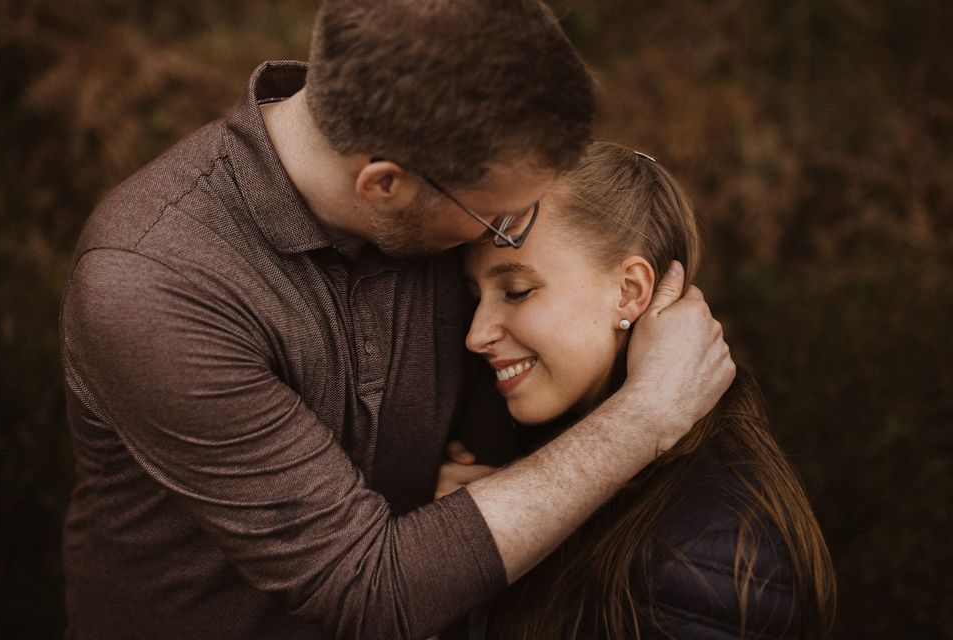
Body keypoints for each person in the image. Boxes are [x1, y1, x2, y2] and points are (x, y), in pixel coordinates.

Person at [59, 3, 734, 639]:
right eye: (495, 217)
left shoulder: (437, 205)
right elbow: (370, 586)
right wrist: (649, 413)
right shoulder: (153, 279)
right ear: (384, 186)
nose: (507, 233)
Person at [450, 142, 836, 638]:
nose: (477, 334)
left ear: (629, 290)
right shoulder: (538, 451)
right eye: (473, 296)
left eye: (517, 291)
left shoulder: (701, 553)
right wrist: (471, 539)